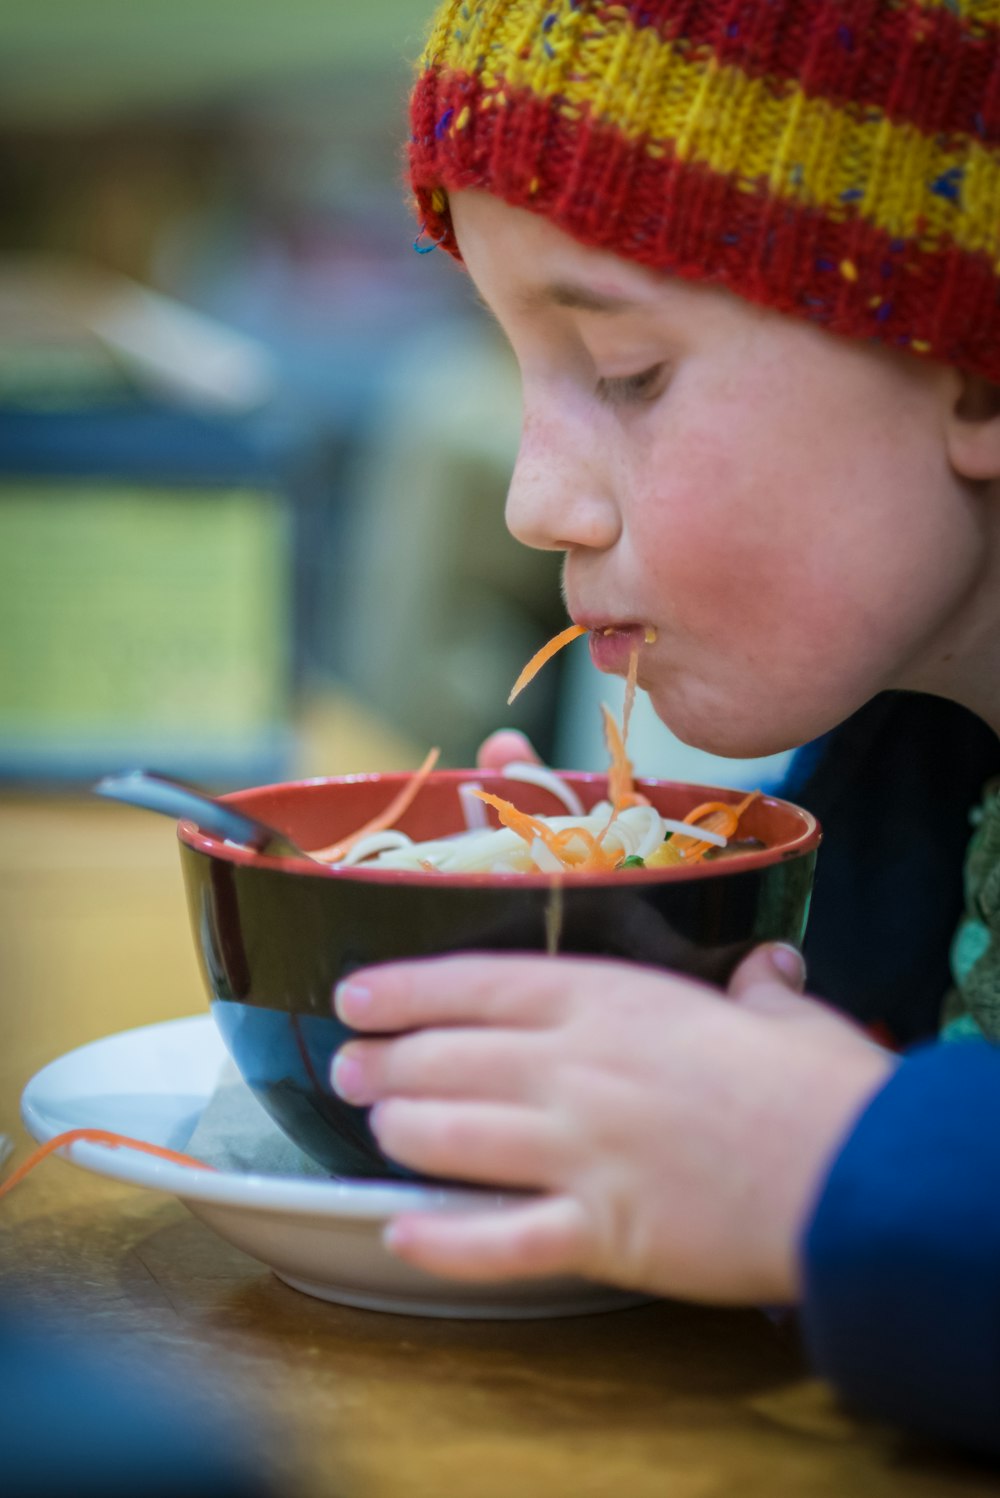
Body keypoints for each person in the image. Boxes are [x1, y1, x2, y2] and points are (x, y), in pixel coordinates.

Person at [330, 0, 1000, 1454]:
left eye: (627, 373)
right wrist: (650, 965)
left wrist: (839, 1164)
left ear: (976, 367)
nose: (532, 503)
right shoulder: (901, 767)